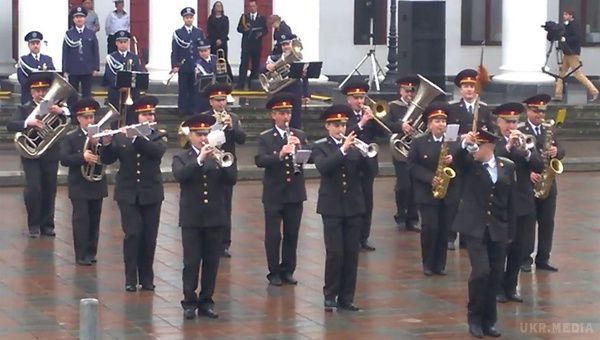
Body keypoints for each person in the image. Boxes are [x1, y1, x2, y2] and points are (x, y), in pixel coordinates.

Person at [453, 129, 517, 339]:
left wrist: (511, 231)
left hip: (498, 227)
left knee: (495, 274)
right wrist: (464, 144)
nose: (474, 150)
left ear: (489, 147)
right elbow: (456, 160)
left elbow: (510, 202)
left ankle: (489, 321)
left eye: (478, 146)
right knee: (481, 272)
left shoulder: (506, 166)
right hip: (475, 227)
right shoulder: (470, 166)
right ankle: (474, 318)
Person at [172, 114, 237, 320]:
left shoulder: (218, 156)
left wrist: (221, 159)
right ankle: (189, 302)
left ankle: (207, 300)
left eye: (206, 133)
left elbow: (232, 179)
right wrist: (200, 159)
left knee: (211, 263)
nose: (203, 138)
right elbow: (180, 177)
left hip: (215, 218)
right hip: (192, 218)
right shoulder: (182, 157)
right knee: (191, 262)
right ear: (190, 135)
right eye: (199, 134)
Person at [100, 96, 166, 292]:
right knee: (133, 234)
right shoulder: (121, 136)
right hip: (128, 193)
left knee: (149, 236)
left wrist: (136, 137)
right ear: (136, 116)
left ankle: (146, 277)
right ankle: (130, 278)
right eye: (145, 114)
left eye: (151, 114)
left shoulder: (158, 135)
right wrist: (106, 142)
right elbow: (108, 159)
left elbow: (156, 153)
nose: (149, 117)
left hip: (151, 193)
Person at [313, 104, 369, 312]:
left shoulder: (355, 146)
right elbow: (324, 167)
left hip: (354, 205)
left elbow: (370, 172)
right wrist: (343, 149)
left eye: (343, 124)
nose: (341, 129)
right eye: (336, 125)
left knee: (351, 253)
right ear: (327, 126)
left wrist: (365, 154)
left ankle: (347, 297)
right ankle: (330, 294)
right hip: (332, 206)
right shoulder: (321, 146)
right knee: (335, 253)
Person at [6, 72, 71, 238]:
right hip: (30, 154)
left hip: (50, 153)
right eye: (37, 90)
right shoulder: (24, 108)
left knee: (50, 189)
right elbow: (11, 125)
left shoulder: (56, 107)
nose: (41, 93)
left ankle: (48, 225)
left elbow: (71, 121)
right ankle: (33, 224)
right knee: (34, 188)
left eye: (44, 89)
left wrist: (62, 112)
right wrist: (29, 122)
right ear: (31, 92)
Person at [493, 103, 544, 304]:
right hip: (502, 202)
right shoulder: (494, 143)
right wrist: (507, 147)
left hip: (523, 202)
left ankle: (511, 286)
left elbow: (539, 165)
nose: (511, 126)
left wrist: (527, 152)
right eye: (507, 122)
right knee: (501, 248)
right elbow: (495, 164)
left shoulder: (525, 142)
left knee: (520, 248)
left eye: (514, 121)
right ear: (498, 122)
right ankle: (497, 287)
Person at [255, 92, 308, 286]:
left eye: (288, 112)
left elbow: (309, 158)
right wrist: (280, 153)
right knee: (273, 234)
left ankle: (288, 269)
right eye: (282, 113)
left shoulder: (299, 134)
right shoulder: (266, 138)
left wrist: (299, 148)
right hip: (274, 193)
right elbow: (260, 160)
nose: (286, 117)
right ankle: (273, 271)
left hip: (295, 192)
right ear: (273, 115)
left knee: (292, 233)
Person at [408, 102, 462, 276]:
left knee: (445, 228)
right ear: (429, 124)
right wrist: (430, 178)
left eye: (443, 121)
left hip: (449, 193)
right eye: (437, 121)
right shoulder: (419, 142)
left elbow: (465, 164)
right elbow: (412, 166)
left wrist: (453, 160)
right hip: (427, 193)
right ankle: (428, 263)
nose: (441, 124)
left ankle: (440, 264)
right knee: (430, 228)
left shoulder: (453, 143)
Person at [447, 68, 494, 250]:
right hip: (459, 159)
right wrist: (462, 139)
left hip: (476, 159)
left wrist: (480, 140)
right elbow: (449, 136)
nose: (469, 90)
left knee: (473, 198)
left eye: (472, 86)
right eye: (465, 86)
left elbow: (491, 135)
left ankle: (468, 235)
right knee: (454, 198)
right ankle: (451, 235)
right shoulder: (452, 109)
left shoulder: (483, 110)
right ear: (460, 89)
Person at [59, 98, 108, 266]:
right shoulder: (71, 137)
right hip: (79, 184)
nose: (90, 120)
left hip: (96, 183)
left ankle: (91, 251)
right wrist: (82, 157)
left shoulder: (100, 136)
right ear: (78, 118)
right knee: (81, 220)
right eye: (86, 117)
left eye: (92, 117)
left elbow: (108, 158)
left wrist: (103, 144)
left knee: (95, 219)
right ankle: (81, 253)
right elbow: (64, 159)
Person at [520, 94, 565, 272]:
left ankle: (543, 258)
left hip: (548, 183)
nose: (539, 114)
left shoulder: (549, 129)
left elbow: (562, 149)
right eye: (535, 111)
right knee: (528, 223)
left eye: (542, 111)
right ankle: (525, 258)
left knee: (547, 222)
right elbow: (517, 155)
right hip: (529, 183)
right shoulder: (522, 130)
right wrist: (528, 172)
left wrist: (557, 151)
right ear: (527, 111)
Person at [200, 83, 246, 257]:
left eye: (223, 100)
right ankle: (210, 239)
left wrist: (232, 127)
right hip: (210, 165)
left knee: (226, 205)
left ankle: (224, 243)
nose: (221, 104)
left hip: (227, 165)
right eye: (217, 100)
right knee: (210, 202)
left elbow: (242, 139)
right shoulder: (204, 118)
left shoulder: (233, 117)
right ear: (210, 101)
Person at [342, 80, 382, 251]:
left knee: (368, 202)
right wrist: (361, 123)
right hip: (351, 164)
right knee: (354, 202)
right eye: (356, 97)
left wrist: (375, 119)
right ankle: (352, 237)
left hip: (368, 164)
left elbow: (383, 134)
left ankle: (364, 238)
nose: (360, 101)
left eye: (362, 97)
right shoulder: (343, 115)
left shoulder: (368, 114)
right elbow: (346, 133)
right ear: (348, 99)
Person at [386, 76, 420, 231]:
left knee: (415, 185)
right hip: (399, 150)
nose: (410, 94)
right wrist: (401, 126)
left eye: (412, 91)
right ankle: (401, 214)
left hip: (415, 150)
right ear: (400, 91)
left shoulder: (419, 107)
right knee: (404, 185)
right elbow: (386, 125)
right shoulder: (393, 106)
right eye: (407, 91)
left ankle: (412, 218)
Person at [265, 33, 309, 129]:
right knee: (278, 119)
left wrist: (306, 94)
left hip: (295, 92)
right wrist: (268, 67)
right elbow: (263, 72)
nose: (285, 47)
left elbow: (305, 78)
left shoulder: (299, 59)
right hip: (280, 92)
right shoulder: (274, 58)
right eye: (283, 45)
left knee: (296, 118)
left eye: (288, 44)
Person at [554, 9, 599, 103]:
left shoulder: (574, 25)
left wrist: (565, 39)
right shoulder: (568, 25)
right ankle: (558, 95)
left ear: (571, 15)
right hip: (567, 53)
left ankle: (594, 91)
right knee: (561, 73)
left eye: (566, 14)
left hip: (572, 53)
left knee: (577, 74)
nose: (564, 16)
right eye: (564, 14)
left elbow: (576, 38)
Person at [171, 7, 205, 116]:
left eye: (190, 17)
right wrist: (175, 65)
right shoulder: (178, 33)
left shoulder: (198, 32)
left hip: (195, 65)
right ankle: (182, 109)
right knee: (183, 88)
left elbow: (202, 49)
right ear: (183, 19)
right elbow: (175, 51)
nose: (189, 19)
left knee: (194, 88)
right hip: (183, 65)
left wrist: (202, 64)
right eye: (187, 18)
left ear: (193, 18)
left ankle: (193, 108)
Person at [102, 30, 142, 123]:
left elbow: (137, 73)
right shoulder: (111, 57)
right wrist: (119, 86)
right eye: (120, 42)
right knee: (115, 119)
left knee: (131, 117)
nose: (123, 44)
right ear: (116, 43)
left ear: (128, 43)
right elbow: (109, 75)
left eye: (125, 42)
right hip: (116, 93)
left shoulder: (134, 57)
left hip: (131, 93)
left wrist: (129, 87)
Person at [63, 6, 99, 102]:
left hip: (87, 68)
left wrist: (96, 67)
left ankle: (86, 113)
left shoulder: (90, 33)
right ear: (73, 19)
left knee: (87, 94)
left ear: (85, 18)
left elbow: (95, 51)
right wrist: (65, 69)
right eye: (77, 17)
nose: (79, 19)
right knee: (72, 93)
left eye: (81, 17)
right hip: (73, 68)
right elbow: (65, 52)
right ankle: (72, 113)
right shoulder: (69, 34)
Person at [16, 31, 56, 105]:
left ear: (40, 45)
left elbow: (52, 75)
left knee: (44, 114)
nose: (35, 46)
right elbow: (21, 78)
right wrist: (34, 89)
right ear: (29, 45)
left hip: (45, 95)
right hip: (29, 95)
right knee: (29, 115)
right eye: (33, 44)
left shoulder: (47, 59)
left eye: (37, 43)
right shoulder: (23, 60)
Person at [236, 0, 267, 89]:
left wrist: (261, 33)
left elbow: (265, 30)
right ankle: (241, 83)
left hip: (256, 44)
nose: (252, 8)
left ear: (257, 7)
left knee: (255, 64)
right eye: (250, 6)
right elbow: (239, 28)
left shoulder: (261, 18)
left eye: (253, 6)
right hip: (246, 44)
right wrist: (244, 30)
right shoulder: (244, 17)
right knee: (244, 63)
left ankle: (252, 83)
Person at [206, 1, 234, 82]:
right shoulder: (210, 19)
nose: (218, 7)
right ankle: (214, 78)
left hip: (223, 42)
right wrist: (216, 40)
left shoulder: (225, 19)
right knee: (214, 60)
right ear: (214, 8)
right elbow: (210, 30)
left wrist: (221, 39)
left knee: (223, 59)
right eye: (217, 6)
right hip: (213, 42)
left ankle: (228, 78)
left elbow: (226, 30)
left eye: (220, 6)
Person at [194, 38, 217, 113]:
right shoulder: (198, 63)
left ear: (209, 50)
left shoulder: (215, 58)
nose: (203, 53)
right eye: (201, 51)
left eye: (205, 51)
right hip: (204, 91)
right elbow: (199, 77)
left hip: (216, 88)